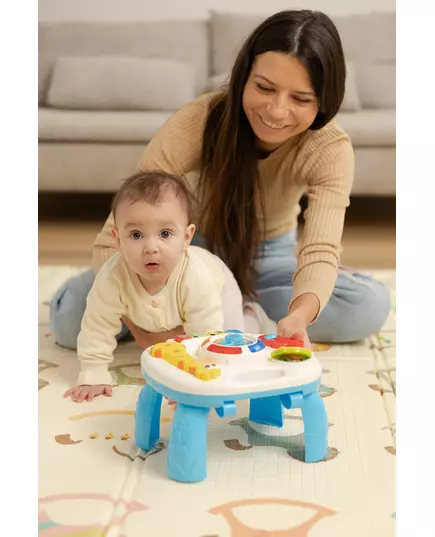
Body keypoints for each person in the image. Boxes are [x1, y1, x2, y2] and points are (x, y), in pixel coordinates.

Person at [51, 9, 390, 353]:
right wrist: (143, 329)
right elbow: (121, 229)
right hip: (186, 248)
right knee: (68, 320)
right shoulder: (198, 121)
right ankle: (221, 310)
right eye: (264, 87)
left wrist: (300, 314)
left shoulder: (329, 147)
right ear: (244, 77)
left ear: (323, 103)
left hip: (271, 257)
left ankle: (234, 308)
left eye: (300, 99)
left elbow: (320, 247)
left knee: (369, 306)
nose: (276, 111)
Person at [64, 170, 271, 402]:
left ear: (186, 237)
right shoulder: (112, 278)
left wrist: (192, 377)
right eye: (136, 235)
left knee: (232, 347)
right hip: (167, 314)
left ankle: (251, 315)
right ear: (117, 238)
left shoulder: (197, 278)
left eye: (165, 233)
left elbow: (205, 334)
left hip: (219, 291)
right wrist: (93, 372)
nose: (151, 247)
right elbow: (97, 325)